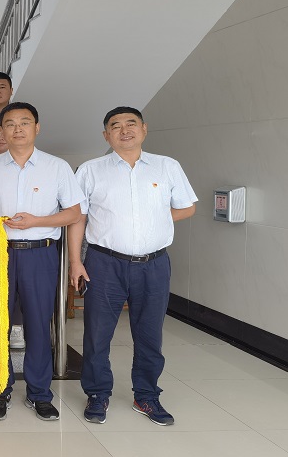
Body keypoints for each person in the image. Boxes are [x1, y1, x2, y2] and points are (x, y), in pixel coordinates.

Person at [69, 106, 197, 426]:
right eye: (116, 126)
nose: (124, 130)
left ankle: (147, 395)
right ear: (106, 135)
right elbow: (77, 218)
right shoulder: (90, 170)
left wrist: (152, 222)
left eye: (131, 124)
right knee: (97, 334)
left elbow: (187, 207)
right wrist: (75, 261)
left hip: (154, 264)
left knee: (149, 334)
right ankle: (97, 393)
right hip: (104, 263)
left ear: (144, 129)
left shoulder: (167, 167)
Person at [0, 102, 85, 422]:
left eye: (25, 122)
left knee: (38, 324)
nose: (17, 129)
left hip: (41, 253)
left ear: (37, 128)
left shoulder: (57, 167)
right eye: (10, 124)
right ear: (1, 130)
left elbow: (73, 213)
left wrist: (37, 221)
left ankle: (39, 393)